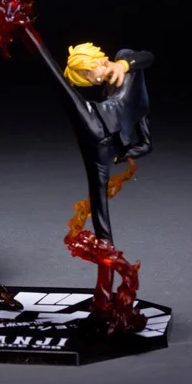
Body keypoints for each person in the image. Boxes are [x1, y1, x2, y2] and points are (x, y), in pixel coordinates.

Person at [19, 29, 154, 316]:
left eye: (91, 72)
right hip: (94, 130)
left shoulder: (125, 63)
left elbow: (147, 57)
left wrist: (123, 65)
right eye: (90, 78)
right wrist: (122, 152)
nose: (96, 77)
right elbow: (141, 140)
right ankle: (103, 300)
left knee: (103, 223)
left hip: (103, 136)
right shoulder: (109, 92)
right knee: (101, 222)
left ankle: (23, 27)